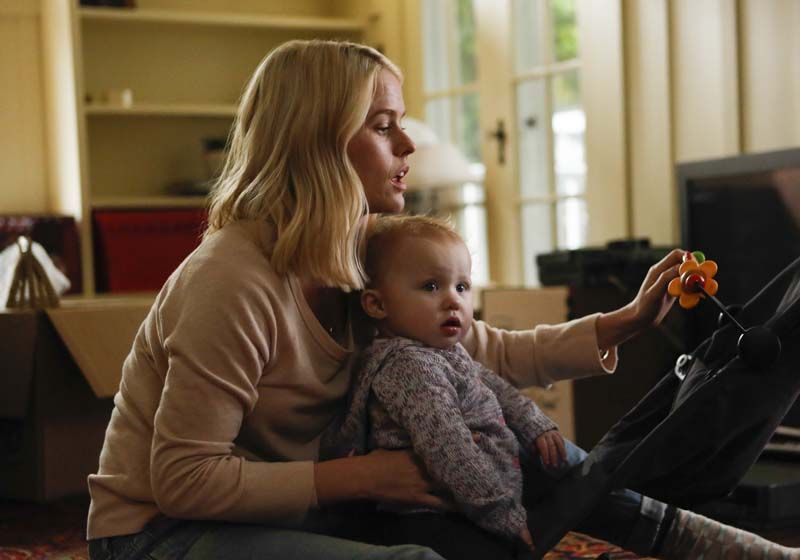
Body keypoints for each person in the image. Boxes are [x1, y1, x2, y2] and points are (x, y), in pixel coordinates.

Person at [85, 39, 797, 560]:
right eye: (382, 125)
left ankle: (736, 551)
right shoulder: (230, 279)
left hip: (296, 505)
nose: (407, 145)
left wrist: (626, 321)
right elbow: (182, 482)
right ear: (316, 143)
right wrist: (359, 477)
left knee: (556, 460)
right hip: (158, 534)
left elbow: (482, 352)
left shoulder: (365, 249)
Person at [321, 214, 568, 558]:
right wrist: (502, 513)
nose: (453, 300)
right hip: (432, 516)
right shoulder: (408, 367)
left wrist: (532, 422)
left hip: (470, 503)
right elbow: (449, 447)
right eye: (431, 287)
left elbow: (492, 384)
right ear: (377, 304)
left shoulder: (441, 352)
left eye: (462, 287)